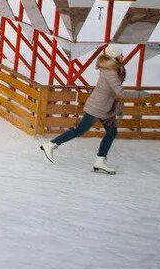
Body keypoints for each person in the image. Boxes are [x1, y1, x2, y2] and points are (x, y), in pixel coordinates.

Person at [39, 45, 141, 174]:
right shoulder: (110, 71)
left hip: (105, 109)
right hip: (97, 107)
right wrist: (140, 94)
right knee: (80, 130)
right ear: (115, 56)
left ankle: (100, 161)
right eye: (121, 54)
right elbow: (119, 92)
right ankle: (51, 144)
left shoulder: (113, 69)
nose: (123, 56)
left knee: (111, 132)